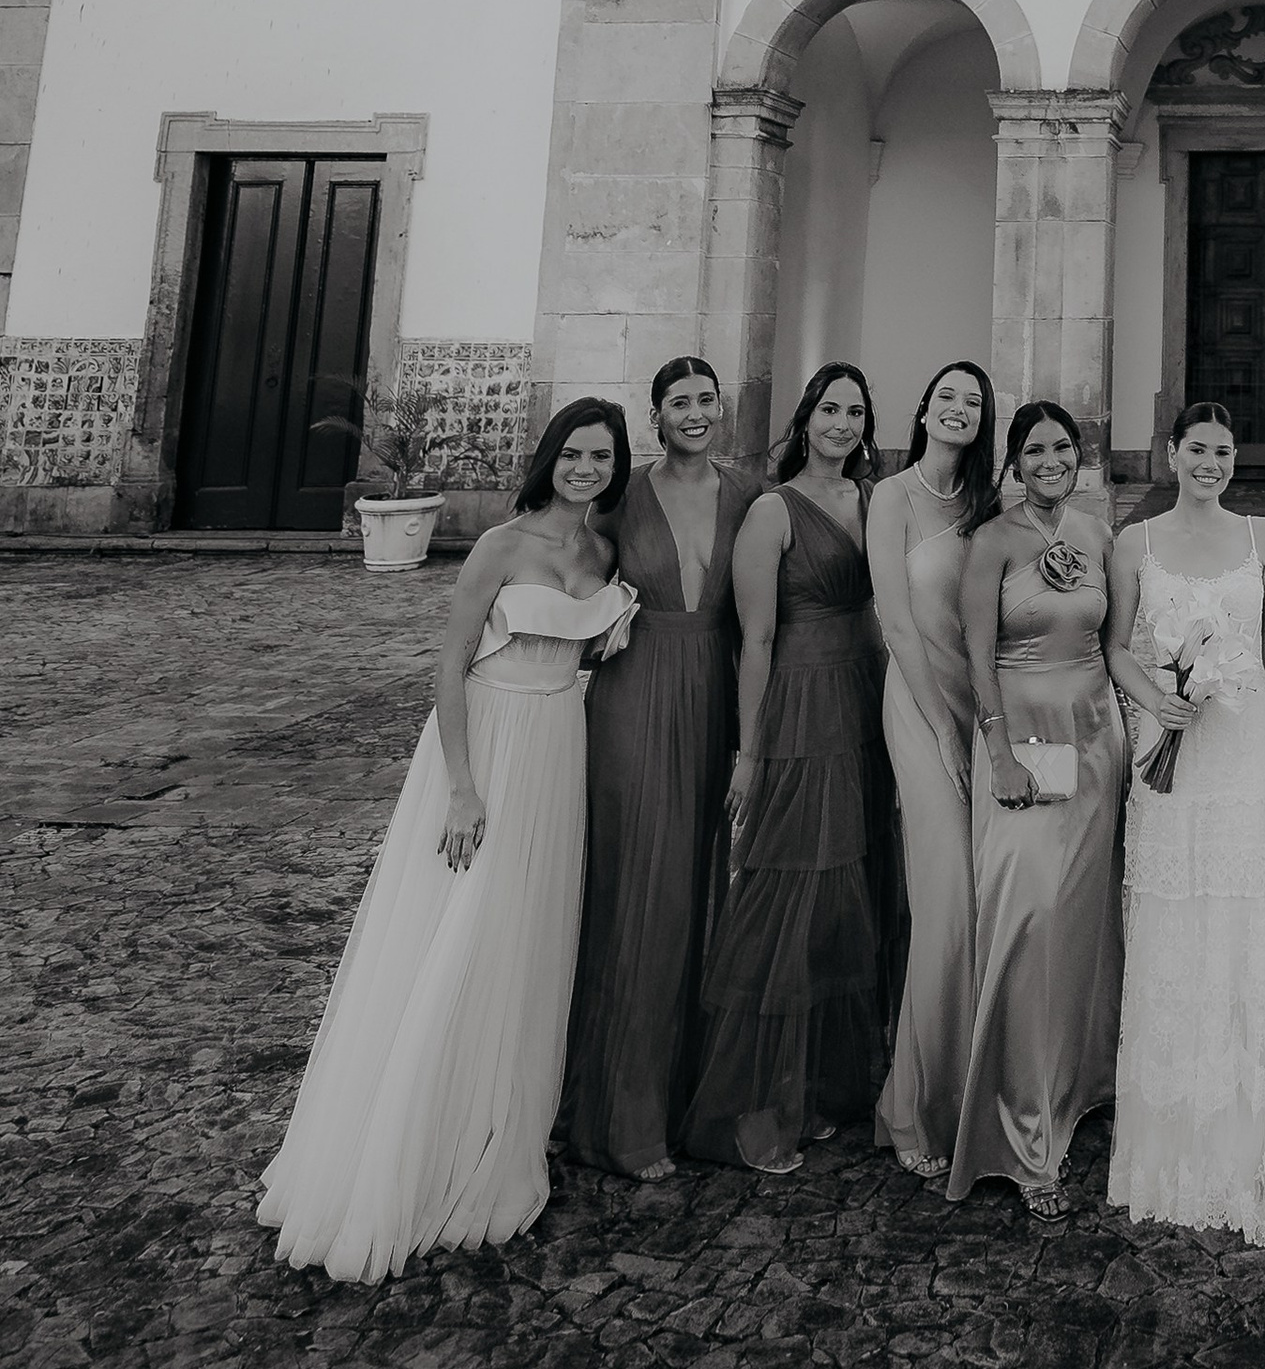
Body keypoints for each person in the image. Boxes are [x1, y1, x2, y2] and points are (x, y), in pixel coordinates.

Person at [258, 401, 639, 1283]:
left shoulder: (602, 550)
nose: (585, 467)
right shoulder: (502, 543)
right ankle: (406, 1145)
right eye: (574, 453)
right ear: (551, 457)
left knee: (523, 935)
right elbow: (451, 660)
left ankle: (491, 1126)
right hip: (489, 745)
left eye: (601, 456)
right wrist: (462, 785)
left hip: (558, 746)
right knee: (457, 929)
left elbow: (580, 655)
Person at [1106, 397, 1265, 1246]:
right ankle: (1179, 1136)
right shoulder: (1137, 542)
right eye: (1197, 448)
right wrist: (1153, 695)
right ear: (1170, 452)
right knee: (1176, 914)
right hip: (1171, 743)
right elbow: (1117, 644)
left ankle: (1256, 1126)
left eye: (1224, 451)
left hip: (1244, 748)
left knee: (1251, 917)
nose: (1211, 463)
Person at [679, 363, 892, 1176]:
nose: (842, 422)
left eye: (856, 411)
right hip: (798, 705)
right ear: (805, 418)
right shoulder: (773, 510)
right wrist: (749, 749)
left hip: (861, 699)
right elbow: (756, 639)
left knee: (845, 889)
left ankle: (818, 1088)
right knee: (787, 888)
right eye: (830, 408)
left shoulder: (873, 499)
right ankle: (753, 1104)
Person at [559, 355, 760, 1180]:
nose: (694, 412)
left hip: (718, 686)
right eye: (678, 401)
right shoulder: (618, 496)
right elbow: (565, 573)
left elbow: (765, 617)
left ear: (722, 407)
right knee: (643, 891)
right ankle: (621, 1115)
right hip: (636, 699)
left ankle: (693, 1096)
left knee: (708, 889)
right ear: (656, 414)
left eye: (706, 399)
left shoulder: (750, 495)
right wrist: (585, 628)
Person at [947, 403, 1127, 1215]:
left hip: (1094, 741)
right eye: (1034, 450)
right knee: (1030, 918)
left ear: (1079, 455)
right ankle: (1022, 1138)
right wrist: (998, 751)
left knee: (1084, 924)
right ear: (1014, 462)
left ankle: (1079, 1085)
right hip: (1022, 741)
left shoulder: (1096, 532)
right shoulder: (991, 541)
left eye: (1061, 447)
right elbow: (976, 654)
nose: (1049, 460)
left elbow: (1118, 643)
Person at [868, 361, 997, 1183]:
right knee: (946, 896)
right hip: (919, 706)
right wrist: (943, 731)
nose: (957, 408)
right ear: (923, 408)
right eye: (946, 395)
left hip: (982, 707)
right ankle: (911, 1106)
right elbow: (896, 621)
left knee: (987, 894)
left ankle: (973, 1088)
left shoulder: (989, 505)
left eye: (973, 401)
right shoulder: (893, 496)